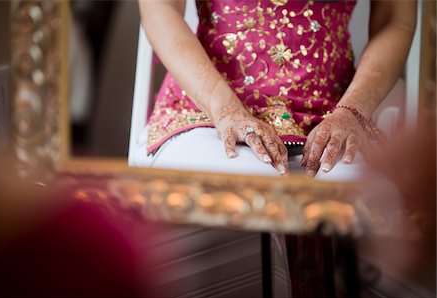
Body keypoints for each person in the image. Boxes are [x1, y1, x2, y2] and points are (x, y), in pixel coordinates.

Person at [132, 0, 416, 179]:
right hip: (207, 111)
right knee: (240, 189)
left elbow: (395, 19)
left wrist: (352, 110)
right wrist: (225, 108)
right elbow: (161, 7)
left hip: (333, 117)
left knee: (360, 196)